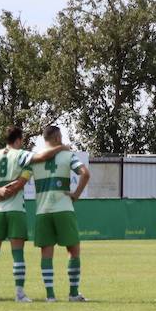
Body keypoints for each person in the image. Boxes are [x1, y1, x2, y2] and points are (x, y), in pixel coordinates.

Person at [0, 127, 72, 302]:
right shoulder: (20, 155)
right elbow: (40, 159)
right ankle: (19, 293)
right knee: (17, 253)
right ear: (18, 140)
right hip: (16, 210)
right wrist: (61, 147)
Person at [32, 125, 90, 300]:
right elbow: (85, 173)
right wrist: (76, 195)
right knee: (73, 250)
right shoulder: (67, 155)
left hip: (42, 210)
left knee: (46, 253)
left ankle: (50, 296)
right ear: (57, 138)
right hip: (63, 208)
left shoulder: (34, 158)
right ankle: (73, 294)